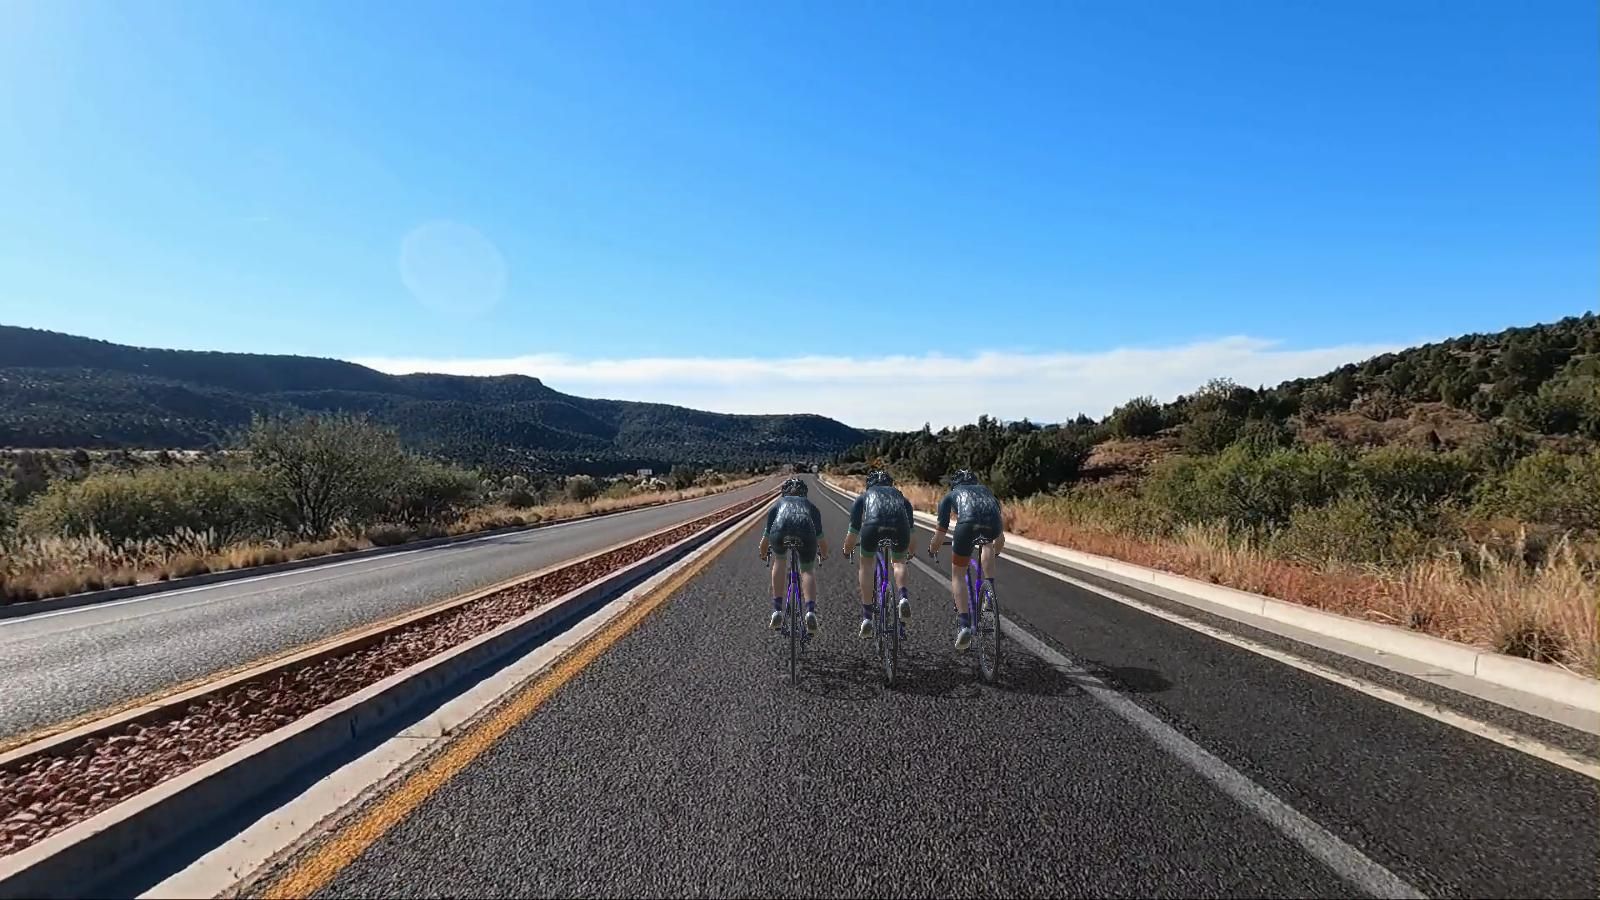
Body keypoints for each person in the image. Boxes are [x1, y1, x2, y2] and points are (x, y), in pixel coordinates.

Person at [926, 469, 1005, 650]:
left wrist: (933, 549)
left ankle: (964, 626)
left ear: (954, 484)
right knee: (987, 544)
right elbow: (1000, 539)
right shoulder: (987, 493)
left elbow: (940, 535)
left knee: (958, 575)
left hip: (966, 528)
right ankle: (989, 591)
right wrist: (996, 554)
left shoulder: (950, 496)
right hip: (992, 527)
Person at [841, 470, 917, 639]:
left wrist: (847, 550)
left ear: (869, 485)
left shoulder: (863, 497)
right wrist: (911, 551)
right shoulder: (902, 498)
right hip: (900, 529)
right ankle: (903, 598)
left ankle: (867, 617)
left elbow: (853, 532)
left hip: (872, 528)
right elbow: (912, 533)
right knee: (899, 563)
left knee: (866, 566)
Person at [758, 476, 829, 633]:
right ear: (804, 493)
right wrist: (824, 553)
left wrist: (763, 553)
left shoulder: (777, 505)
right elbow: (821, 538)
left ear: (784, 493)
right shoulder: (811, 506)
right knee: (807, 570)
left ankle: (777, 610)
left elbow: (765, 538)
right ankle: (810, 611)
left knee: (779, 561)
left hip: (780, 532)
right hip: (805, 533)